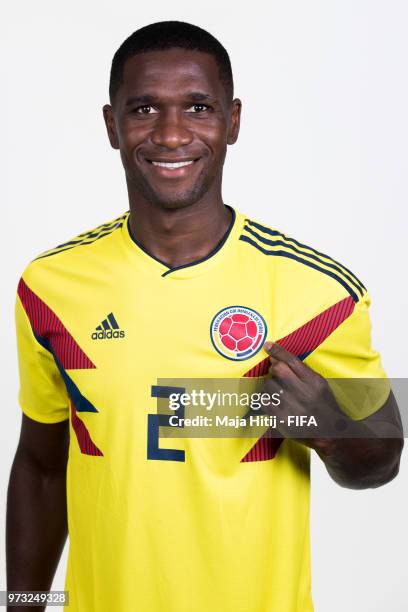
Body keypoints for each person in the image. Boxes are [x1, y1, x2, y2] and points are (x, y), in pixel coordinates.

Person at [7, 20, 403, 612]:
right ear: (112, 126)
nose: (171, 135)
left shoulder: (319, 292)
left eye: (198, 107)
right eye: (144, 109)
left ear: (233, 122)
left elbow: (384, 458)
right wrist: (21, 605)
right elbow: (41, 466)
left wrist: (329, 429)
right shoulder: (50, 286)